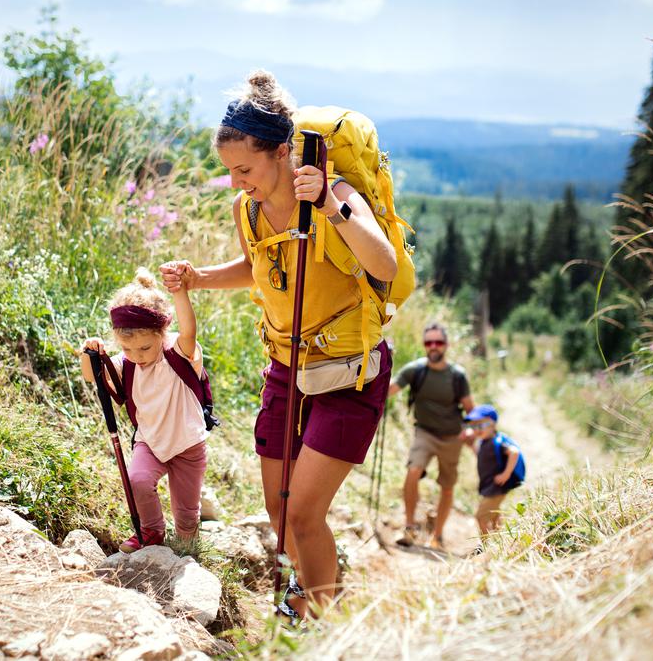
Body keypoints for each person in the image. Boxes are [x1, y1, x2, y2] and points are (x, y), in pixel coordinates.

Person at [160, 70, 397, 622]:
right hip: (286, 368)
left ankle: (320, 623)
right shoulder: (249, 208)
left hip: (348, 373)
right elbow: (257, 267)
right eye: (230, 172)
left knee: (307, 513)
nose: (237, 181)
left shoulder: (335, 193)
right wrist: (197, 278)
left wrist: (334, 210)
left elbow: (382, 262)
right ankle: (314, 596)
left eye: (245, 169)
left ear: (283, 152)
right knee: (280, 510)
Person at [80, 267, 208, 553]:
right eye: (127, 349)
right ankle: (152, 532)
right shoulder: (126, 364)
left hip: (188, 444)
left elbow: (189, 329)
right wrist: (87, 352)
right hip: (150, 440)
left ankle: (188, 548)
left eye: (145, 348)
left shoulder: (178, 351)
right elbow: (92, 375)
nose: (137, 356)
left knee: (186, 512)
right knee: (138, 480)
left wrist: (180, 292)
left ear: (162, 333)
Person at [386, 324, 474, 550]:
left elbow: (471, 410)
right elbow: (389, 389)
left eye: (438, 342)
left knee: (447, 487)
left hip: (452, 437)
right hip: (424, 432)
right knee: (413, 470)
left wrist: (475, 435)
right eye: (428, 342)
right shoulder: (415, 370)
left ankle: (438, 535)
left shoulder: (457, 376)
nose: (433, 347)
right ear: (424, 345)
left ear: (446, 345)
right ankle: (409, 527)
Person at [463, 404, 523, 547]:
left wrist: (506, 474)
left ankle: (486, 546)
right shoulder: (485, 442)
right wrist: (471, 446)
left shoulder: (498, 441)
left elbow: (514, 452)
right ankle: (502, 544)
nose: (477, 430)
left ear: (492, 424)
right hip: (490, 486)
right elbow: (483, 457)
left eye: (481, 425)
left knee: (481, 516)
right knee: (494, 515)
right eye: (473, 426)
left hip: (497, 487)